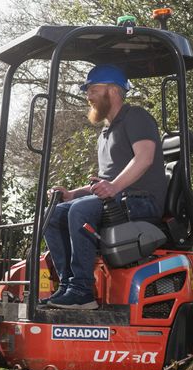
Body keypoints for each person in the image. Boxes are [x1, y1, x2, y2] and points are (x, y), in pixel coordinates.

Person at [43, 64, 166, 309]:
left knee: (81, 211)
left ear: (113, 91)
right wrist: (72, 194)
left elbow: (144, 158)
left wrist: (112, 187)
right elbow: (104, 184)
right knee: (54, 214)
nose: (88, 95)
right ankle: (69, 285)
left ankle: (82, 290)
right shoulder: (106, 132)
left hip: (143, 201)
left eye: (93, 89)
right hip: (119, 198)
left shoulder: (136, 117)